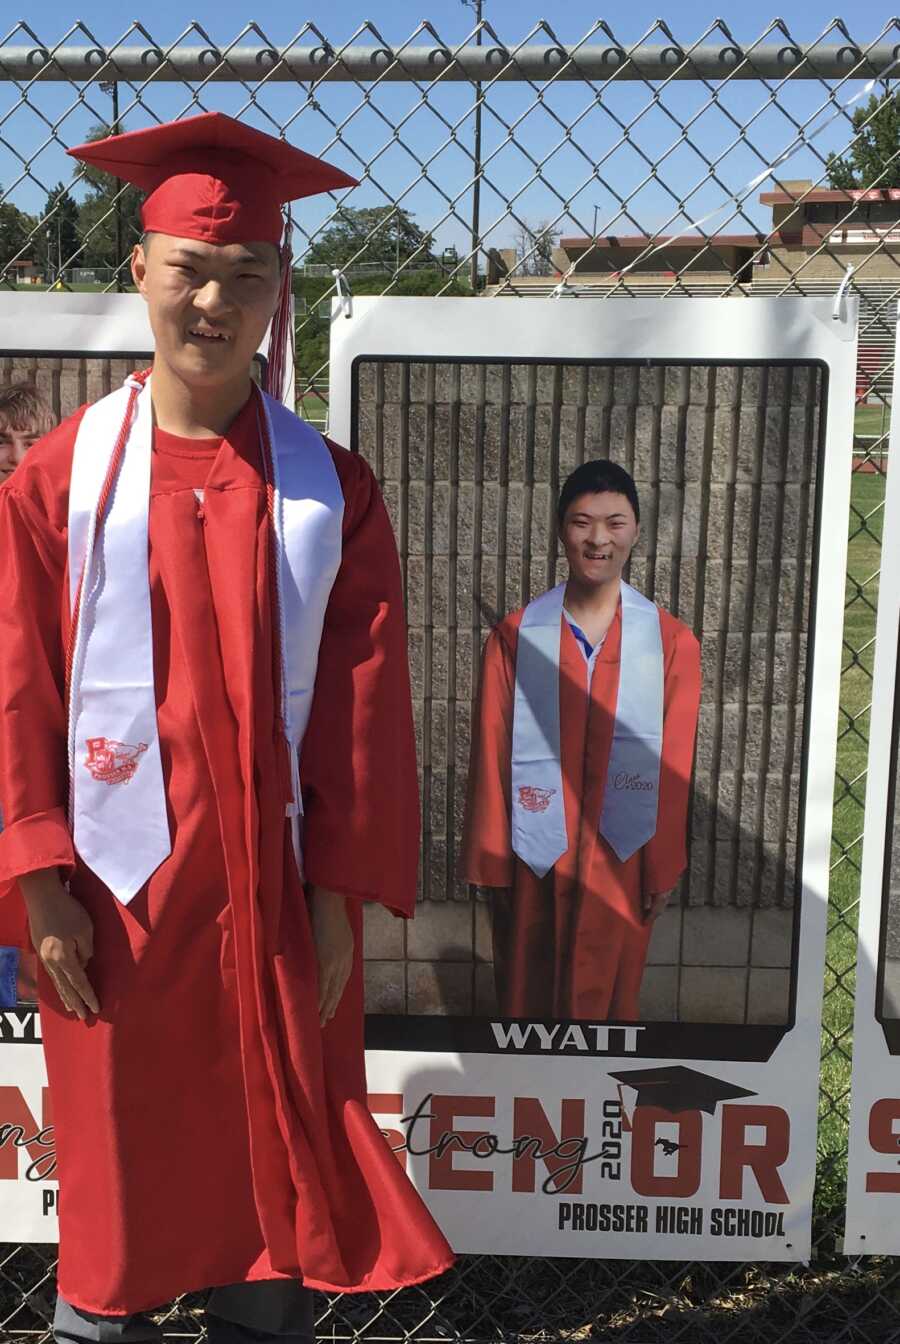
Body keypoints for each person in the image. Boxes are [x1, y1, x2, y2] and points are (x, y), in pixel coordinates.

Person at [0, 112, 453, 1343]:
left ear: (281, 292)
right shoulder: (56, 481)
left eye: (247, 275)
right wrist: (37, 878)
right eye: (190, 269)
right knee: (122, 1192)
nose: (215, 299)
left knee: (272, 1187)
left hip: (275, 899)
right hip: (119, 901)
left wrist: (339, 894)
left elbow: (365, 711)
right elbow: (16, 687)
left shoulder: (328, 491)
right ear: (137, 268)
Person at [462, 459, 701, 1021]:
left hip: (624, 856)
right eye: (582, 522)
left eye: (615, 523)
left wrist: (661, 864)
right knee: (527, 999)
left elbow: (675, 764)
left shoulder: (669, 643)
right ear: (561, 530)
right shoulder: (517, 637)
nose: (599, 539)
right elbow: (492, 751)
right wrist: (493, 860)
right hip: (534, 853)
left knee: (611, 1013)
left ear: (636, 531)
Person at [0, 382, 54, 1005]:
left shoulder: (70, 537)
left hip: (39, 757)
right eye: (4, 442)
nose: (16, 457)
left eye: (31, 441)